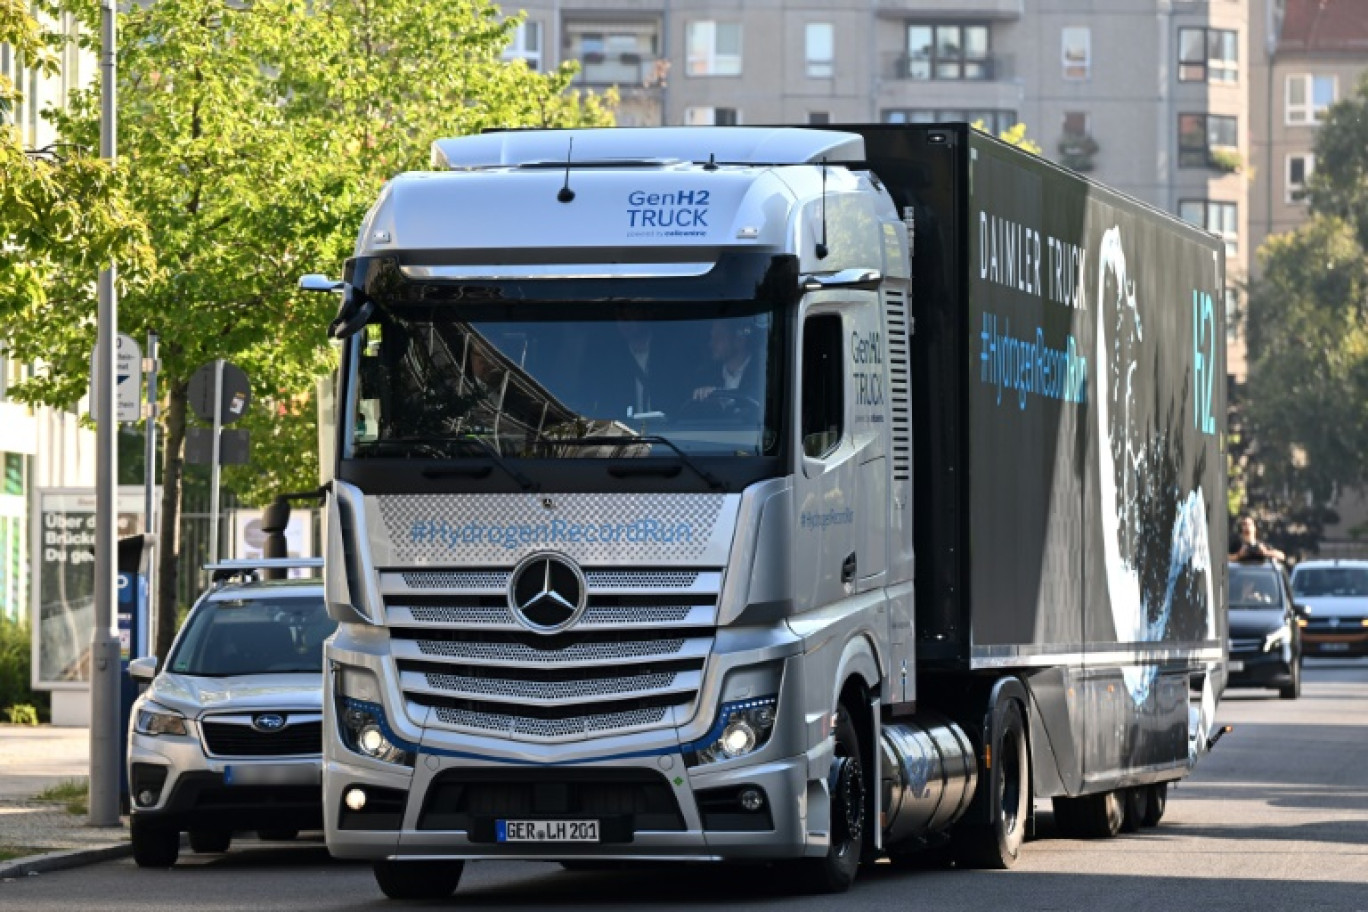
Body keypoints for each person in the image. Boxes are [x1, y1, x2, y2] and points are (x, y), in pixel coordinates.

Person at [690, 320, 763, 405]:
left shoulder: (762, 372)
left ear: (739, 340)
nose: (711, 343)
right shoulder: (705, 376)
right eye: (712, 337)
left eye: (719, 336)